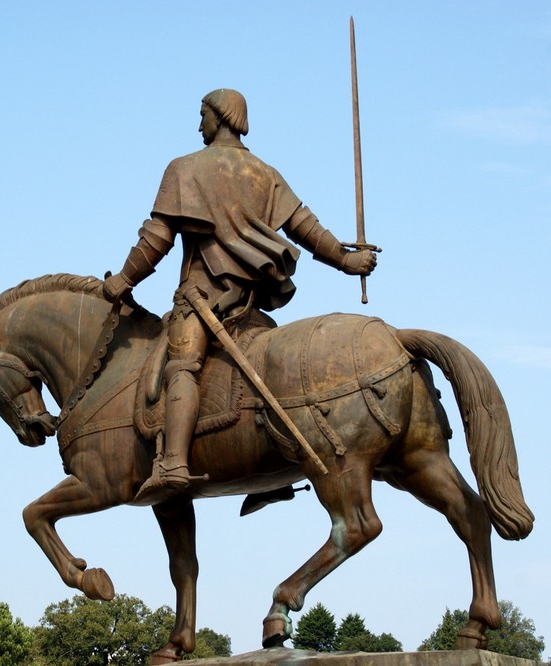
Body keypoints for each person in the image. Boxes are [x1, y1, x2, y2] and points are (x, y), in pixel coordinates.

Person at [104, 89, 376, 504]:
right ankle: (276, 476)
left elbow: (157, 237)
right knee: (264, 372)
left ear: (221, 116)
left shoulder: (184, 168)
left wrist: (124, 279)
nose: (199, 126)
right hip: (250, 307)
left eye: (203, 116)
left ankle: (174, 461)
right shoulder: (264, 173)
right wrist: (345, 259)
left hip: (202, 300)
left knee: (182, 366)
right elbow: (305, 228)